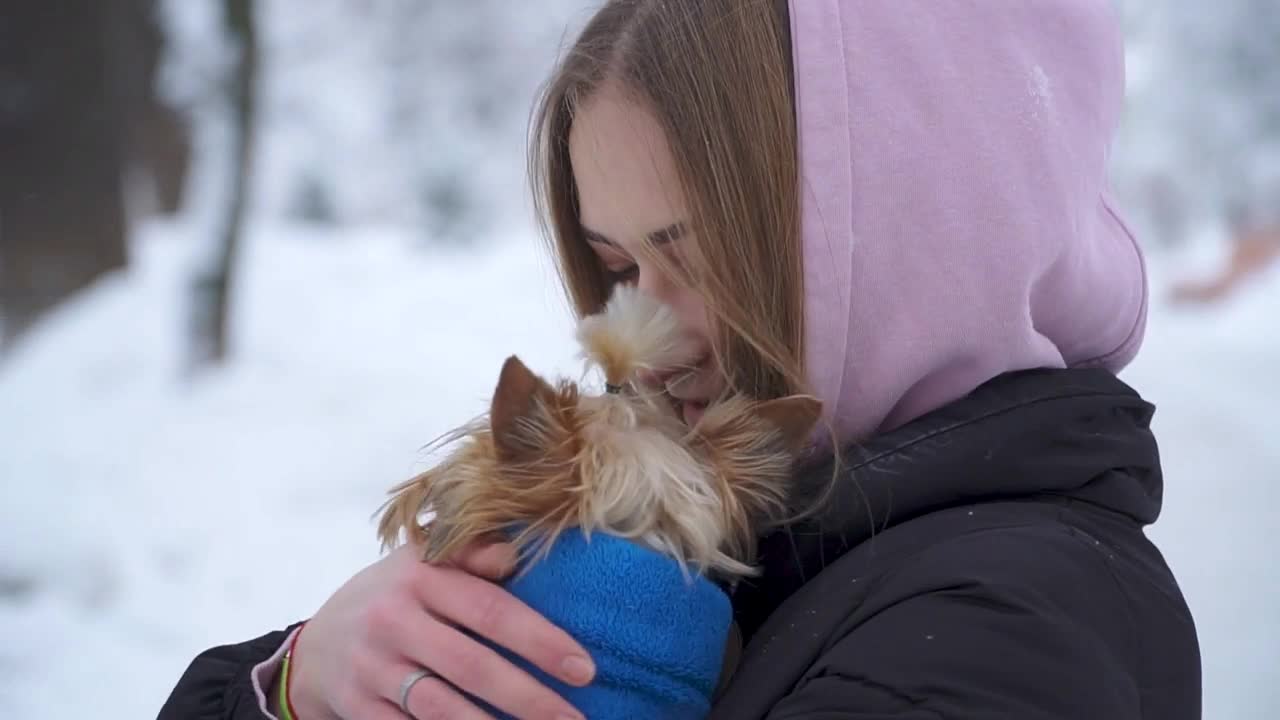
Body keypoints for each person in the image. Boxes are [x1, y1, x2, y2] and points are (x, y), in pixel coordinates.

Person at [159, 1, 1202, 718]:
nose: (641, 341)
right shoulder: (743, 541)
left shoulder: (1008, 628)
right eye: (612, 266)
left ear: (906, 232)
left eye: (693, 257)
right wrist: (304, 682)